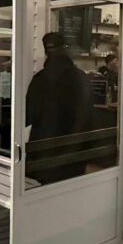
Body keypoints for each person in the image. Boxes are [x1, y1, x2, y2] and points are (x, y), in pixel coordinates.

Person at [24, 33, 94, 183]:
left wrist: (3, 127)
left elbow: (28, 115)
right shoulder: (81, 77)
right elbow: (88, 115)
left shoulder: (40, 80)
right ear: (65, 48)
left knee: (43, 191)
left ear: (46, 51)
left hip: (44, 150)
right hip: (74, 150)